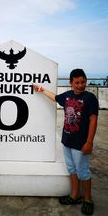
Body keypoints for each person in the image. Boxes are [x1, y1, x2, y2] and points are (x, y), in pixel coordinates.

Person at [33, 69, 98, 216]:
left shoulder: (90, 98)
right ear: (71, 83)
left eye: (83, 82)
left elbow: (93, 120)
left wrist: (89, 142)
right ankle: (74, 195)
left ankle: (88, 199)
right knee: (72, 169)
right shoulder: (67, 96)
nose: (80, 85)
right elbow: (54, 97)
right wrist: (41, 89)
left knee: (83, 172)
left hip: (81, 143)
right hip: (67, 140)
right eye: (77, 82)